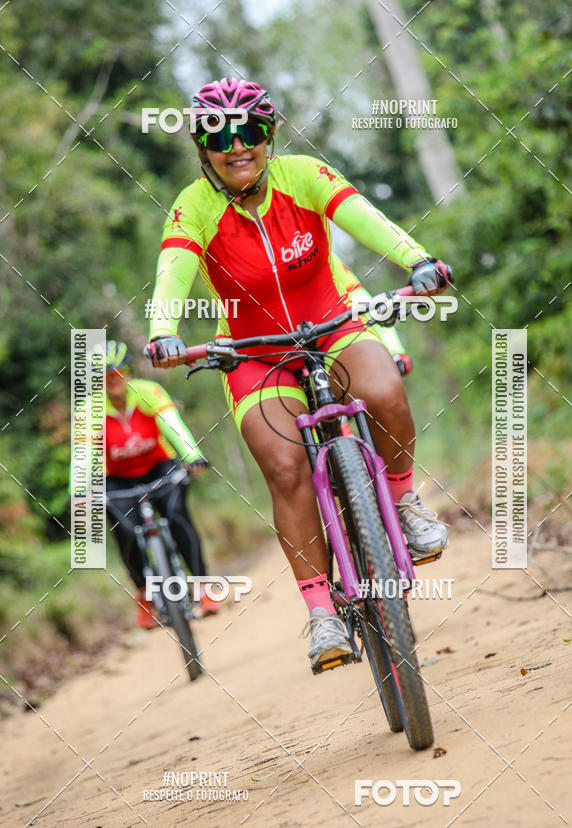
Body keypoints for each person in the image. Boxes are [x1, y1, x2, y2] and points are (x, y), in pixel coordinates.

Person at [144, 77, 453, 670]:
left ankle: (403, 501)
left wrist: (416, 260)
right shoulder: (193, 206)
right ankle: (320, 613)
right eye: (219, 134)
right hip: (254, 352)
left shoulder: (304, 174)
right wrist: (164, 331)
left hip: (332, 322)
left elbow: (365, 218)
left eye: (250, 131)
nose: (237, 145)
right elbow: (172, 275)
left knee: (385, 390)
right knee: (284, 465)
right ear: (201, 146)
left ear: (270, 134)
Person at [103, 340, 218, 627]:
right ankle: (145, 595)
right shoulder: (89, 409)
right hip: (117, 480)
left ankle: (203, 588)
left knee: (178, 516)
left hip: (159, 468)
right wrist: (78, 488)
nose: (112, 382)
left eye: (117, 373)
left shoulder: (149, 392)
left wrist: (192, 455)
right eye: (104, 377)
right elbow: (83, 454)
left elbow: (171, 422)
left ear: (128, 371)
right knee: (125, 532)